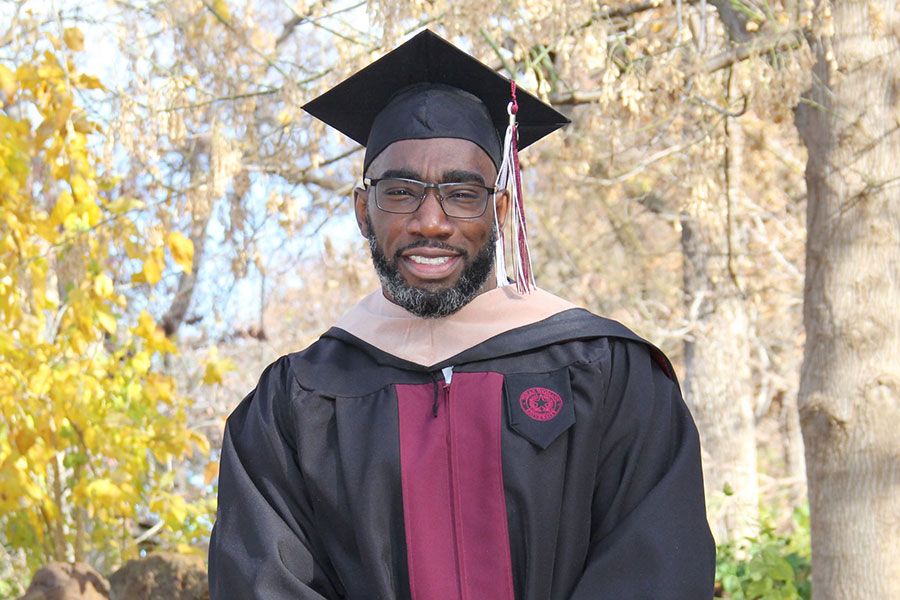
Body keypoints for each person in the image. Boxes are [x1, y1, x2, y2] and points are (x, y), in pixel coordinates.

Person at [208, 30, 715, 599]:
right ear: (362, 210)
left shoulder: (611, 374)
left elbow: (655, 567)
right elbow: (261, 584)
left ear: (499, 210)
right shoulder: (293, 407)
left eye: (462, 193)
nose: (431, 221)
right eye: (400, 192)